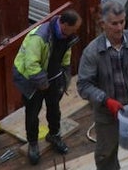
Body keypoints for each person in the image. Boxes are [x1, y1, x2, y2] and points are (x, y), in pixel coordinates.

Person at [77, 0, 128, 170]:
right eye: (114, 23)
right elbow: (83, 85)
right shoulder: (92, 52)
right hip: (107, 112)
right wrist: (105, 100)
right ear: (102, 24)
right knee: (106, 153)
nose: (119, 28)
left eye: (122, 22)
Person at [13, 9, 82, 165]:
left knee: (54, 109)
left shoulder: (66, 36)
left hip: (52, 77)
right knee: (32, 114)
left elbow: (65, 55)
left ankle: (54, 135)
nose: (75, 32)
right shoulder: (39, 37)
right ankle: (33, 144)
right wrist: (42, 84)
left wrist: (65, 74)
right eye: (74, 29)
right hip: (31, 80)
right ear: (64, 24)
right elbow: (31, 64)